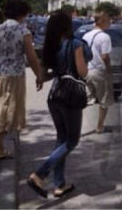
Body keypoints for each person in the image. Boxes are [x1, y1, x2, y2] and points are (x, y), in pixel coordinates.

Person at [26, 11, 88, 199]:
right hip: (70, 97)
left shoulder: (51, 45)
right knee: (72, 140)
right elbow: (82, 72)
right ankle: (39, 174)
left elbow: (49, 74)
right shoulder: (75, 44)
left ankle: (59, 184)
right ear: (67, 25)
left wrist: (44, 77)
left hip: (55, 95)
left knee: (62, 138)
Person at [0, 0, 44, 169]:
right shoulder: (23, 31)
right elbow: (31, 57)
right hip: (12, 76)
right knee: (9, 112)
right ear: (22, 14)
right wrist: (39, 75)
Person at [83, 11, 113, 134]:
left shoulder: (86, 36)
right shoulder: (105, 37)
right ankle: (100, 126)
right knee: (104, 100)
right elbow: (105, 56)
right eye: (109, 21)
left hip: (87, 71)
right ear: (103, 22)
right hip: (100, 71)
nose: (110, 23)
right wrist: (109, 69)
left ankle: (78, 126)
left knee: (86, 99)